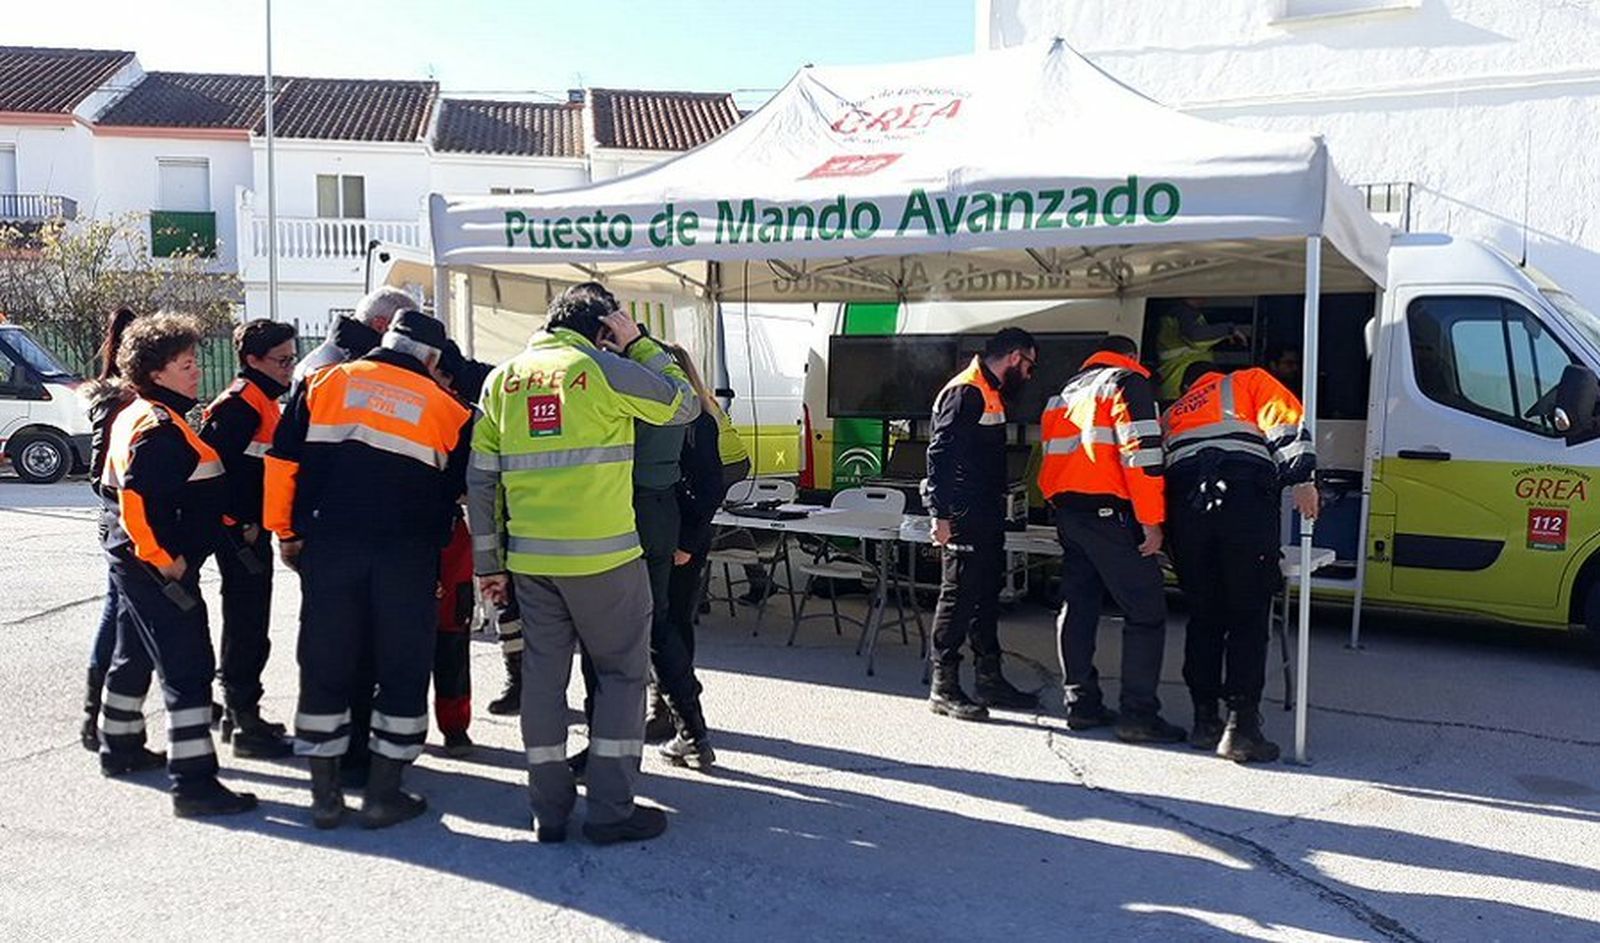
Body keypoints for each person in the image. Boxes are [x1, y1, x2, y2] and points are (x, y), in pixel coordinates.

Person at [468, 281, 698, 846]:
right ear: (602, 329)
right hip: (605, 559)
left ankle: (548, 811)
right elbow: (683, 403)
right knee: (620, 676)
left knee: (543, 682)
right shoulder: (600, 368)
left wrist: (489, 563)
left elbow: (482, 481)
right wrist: (639, 343)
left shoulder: (502, 379)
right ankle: (611, 811)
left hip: (532, 561)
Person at [266, 310, 472, 829]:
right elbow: (457, 494)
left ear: (387, 339)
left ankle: (324, 796)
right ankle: (384, 794)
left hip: (330, 546)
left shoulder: (323, 382)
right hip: (407, 558)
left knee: (325, 662)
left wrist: (286, 533)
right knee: (403, 667)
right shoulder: (451, 412)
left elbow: (282, 464)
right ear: (431, 359)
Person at [98, 312, 257, 816]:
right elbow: (137, 504)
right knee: (188, 670)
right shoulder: (159, 428)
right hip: (155, 567)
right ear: (156, 372)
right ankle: (194, 786)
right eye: (186, 364)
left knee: (132, 652)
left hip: (133, 561)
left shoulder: (143, 413)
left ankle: (119, 746)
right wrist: (165, 561)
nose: (196, 371)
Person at [289, 285, 418, 786]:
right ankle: (356, 760)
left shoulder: (320, 364)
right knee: (359, 652)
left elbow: (290, 459)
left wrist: (290, 530)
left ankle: (328, 767)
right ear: (386, 328)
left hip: (323, 532)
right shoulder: (345, 370)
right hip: (357, 535)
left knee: (327, 650)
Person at [1162, 361, 1319, 763]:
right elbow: (1285, 424)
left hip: (1187, 515)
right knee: (1247, 618)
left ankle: (1204, 722)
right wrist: (1303, 479)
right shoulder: (1248, 382)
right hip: (1242, 507)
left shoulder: (1174, 412)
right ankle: (1242, 729)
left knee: (1204, 618)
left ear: (1189, 385)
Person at [1039, 335, 1185, 744]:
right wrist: (1152, 521)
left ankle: (1080, 704)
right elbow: (1143, 455)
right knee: (1145, 611)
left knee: (1078, 606)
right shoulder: (1126, 382)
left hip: (1070, 515)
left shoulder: (1064, 392)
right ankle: (1138, 715)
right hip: (1113, 517)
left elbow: (1049, 457)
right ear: (1132, 356)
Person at [923, 328, 1041, 721]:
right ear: (1015, 356)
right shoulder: (967, 391)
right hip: (963, 513)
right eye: (1029, 366)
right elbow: (941, 454)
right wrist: (940, 514)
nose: (1029, 374)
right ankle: (944, 687)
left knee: (985, 596)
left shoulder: (989, 391)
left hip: (986, 512)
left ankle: (990, 678)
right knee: (958, 597)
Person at [199, 319, 298, 759]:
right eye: (282, 360)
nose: (289, 368)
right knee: (247, 623)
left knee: (251, 622)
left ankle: (241, 714)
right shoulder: (240, 405)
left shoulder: (262, 400)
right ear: (252, 359)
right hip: (240, 532)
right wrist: (240, 523)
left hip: (249, 528)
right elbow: (215, 471)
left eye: (292, 359)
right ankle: (244, 720)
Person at [659, 343, 738, 768]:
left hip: (683, 538)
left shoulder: (698, 420)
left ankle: (678, 713)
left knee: (672, 624)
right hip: (672, 535)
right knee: (665, 625)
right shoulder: (675, 415)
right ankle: (665, 708)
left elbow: (710, 488)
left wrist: (687, 542)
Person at [78, 307, 141, 753]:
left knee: (120, 609)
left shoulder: (111, 398)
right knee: (122, 610)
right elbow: (105, 473)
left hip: (113, 515)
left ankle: (94, 713)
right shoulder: (126, 401)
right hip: (124, 518)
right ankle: (95, 714)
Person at [1154, 299, 1248, 400]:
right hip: (1180, 385)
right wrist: (1229, 330)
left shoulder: (1178, 313)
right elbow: (1195, 338)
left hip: (1177, 385)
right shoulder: (1183, 312)